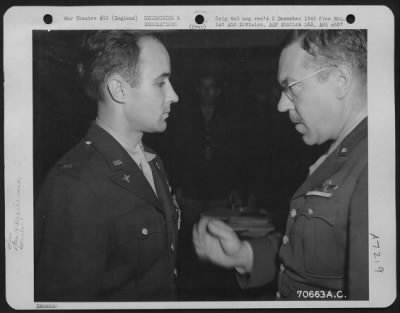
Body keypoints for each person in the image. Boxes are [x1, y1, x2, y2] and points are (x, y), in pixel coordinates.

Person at [193, 30, 368, 300]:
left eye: (291, 87)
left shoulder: (375, 163)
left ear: (340, 80)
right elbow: (315, 254)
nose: (280, 104)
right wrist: (245, 254)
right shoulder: (341, 152)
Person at [34, 30, 179, 301]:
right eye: (161, 83)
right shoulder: (75, 185)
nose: (174, 95)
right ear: (119, 89)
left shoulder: (151, 161)